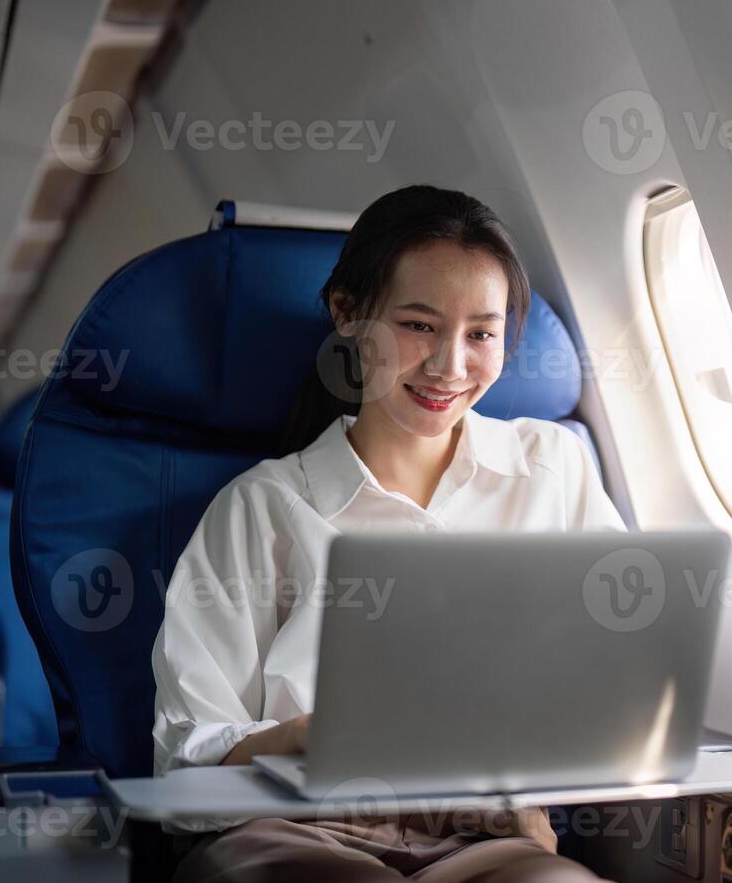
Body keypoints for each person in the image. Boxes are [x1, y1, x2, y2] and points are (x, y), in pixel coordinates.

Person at [152, 186, 622, 882]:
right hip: (291, 827)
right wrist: (304, 738)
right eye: (419, 325)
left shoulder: (551, 469)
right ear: (347, 313)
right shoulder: (263, 507)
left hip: (480, 835)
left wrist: (526, 791)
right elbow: (186, 750)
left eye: (481, 334)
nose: (450, 366)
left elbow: (617, 677)